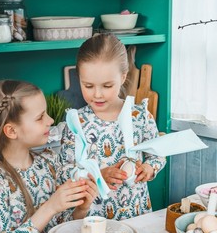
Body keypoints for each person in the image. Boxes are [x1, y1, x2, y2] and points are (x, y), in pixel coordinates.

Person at [0, 80, 97, 233]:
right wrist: (50, 207)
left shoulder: (49, 162)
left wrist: (80, 210)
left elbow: (62, 228)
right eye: (40, 117)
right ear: (11, 131)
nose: (50, 120)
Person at [60, 34, 166, 220]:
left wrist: (149, 168)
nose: (98, 94)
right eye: (88, 86)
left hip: (135, 213)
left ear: (123, 77)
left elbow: (158, 154)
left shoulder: (139, 116)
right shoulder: (77, 122)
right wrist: (97, 176)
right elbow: (64, 170)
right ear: (79, 78)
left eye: (107, 85)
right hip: (94, 217)